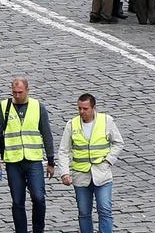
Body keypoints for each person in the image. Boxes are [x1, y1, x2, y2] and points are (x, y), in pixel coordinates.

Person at [0, 76, 54, 233]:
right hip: (13, 161)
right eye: (14, 92)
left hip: (33, 160)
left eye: (20, 92)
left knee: (39, 197)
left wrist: (51, 161)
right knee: (17, 201)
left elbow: (47, 134)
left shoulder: (38, 107)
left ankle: (38, 230)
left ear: (27, 90)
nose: (17, 96)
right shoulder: (5, 106)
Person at [55, 94, 124, 233]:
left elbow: (118, 143)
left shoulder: (106, 121)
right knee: (84, 212)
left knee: (105, 209)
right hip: (81, 176)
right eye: (79, 108)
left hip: (102, 174)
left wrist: (108, 161)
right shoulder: (72, 124)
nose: (81, 112)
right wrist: (64, 173)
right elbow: (63, 150)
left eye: (85, 108)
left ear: (93, 108)